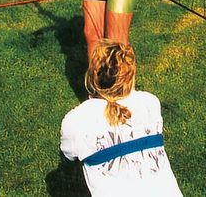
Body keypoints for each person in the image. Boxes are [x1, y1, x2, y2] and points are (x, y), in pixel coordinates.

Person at [60, 39, 182, 196]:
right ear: (130, 78)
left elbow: (67, 157)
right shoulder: (150, 102)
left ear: (91, 77)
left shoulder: (76, 120)